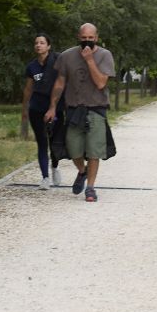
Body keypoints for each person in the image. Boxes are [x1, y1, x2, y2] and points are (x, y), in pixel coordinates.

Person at [45, 23, 116, 203]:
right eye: (84, 38)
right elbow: (60, 82)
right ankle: (82, 171)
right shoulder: (67, 56)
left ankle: (90, 187)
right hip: (74, 109)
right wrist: (52, 107)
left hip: (96, 109)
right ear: (78, 37)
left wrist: (90, 60)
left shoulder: (105, 55)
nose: (87, 41)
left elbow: (101, 83)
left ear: (96, 38)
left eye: (91, 38)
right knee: (73, 149)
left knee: (93, 151)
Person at [21, 33, 65, 189]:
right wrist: (25, 108)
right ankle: (45, 177)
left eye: (42, 42)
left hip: (55, 108)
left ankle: (55, 167)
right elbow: (28, 88)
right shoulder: (31, 67)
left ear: (48, 46)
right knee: (41, 142)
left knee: (54, 142)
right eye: (36, 43)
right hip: (37, 108)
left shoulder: (57, 62)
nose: (38, 45)